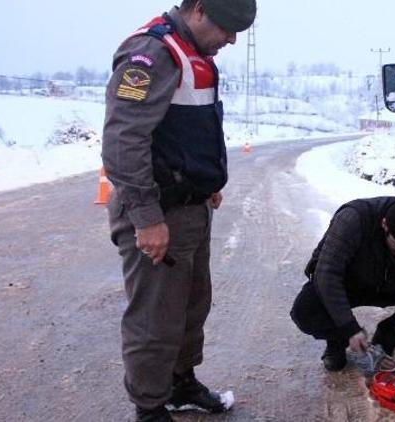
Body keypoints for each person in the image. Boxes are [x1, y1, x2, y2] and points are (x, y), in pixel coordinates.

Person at [102, 1, 255, 420]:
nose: (232, 39)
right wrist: (147, 219)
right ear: (200, 9)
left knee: (190, 307)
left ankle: (178, 383)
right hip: (159, 213)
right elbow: (122, 142)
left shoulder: (196, 55)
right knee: (155, 319)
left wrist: (207, 184)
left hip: (191, 209)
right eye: (228, 27)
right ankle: (150, 408)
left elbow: (189, 129)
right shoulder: (151, 54)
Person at [290, 190, 395, 371]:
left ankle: (387, 341)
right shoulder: (353, 219)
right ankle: (337, 341)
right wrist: (349, 330)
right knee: (304, 311)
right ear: (384, 224)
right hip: (348, 284)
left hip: (389, 282)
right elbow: (327, 275)